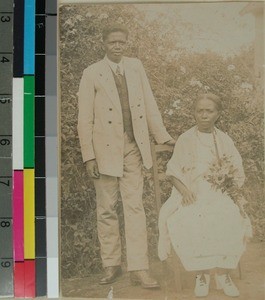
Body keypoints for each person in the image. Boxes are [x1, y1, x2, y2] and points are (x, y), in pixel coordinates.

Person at [77, 23, 175, 288]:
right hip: (104, 151)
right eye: (112, 42)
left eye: (122, 42)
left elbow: (149, 103)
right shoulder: (92, 73)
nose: (117, 46)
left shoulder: (135, 67)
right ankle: (111, 265)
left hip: (133, 147)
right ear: (104, 44)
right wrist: (89, 156)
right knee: (106, 209)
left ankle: (139, 268)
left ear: (126, 43)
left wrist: (163, 136)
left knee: (135, 207)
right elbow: (84, 119)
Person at [158, 93, 252, 297]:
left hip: (218, 191)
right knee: (192, 216)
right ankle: (201, 275)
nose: (204, 115)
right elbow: (173, 172)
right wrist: (184, 191)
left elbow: (237, 170)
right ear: (194, 113)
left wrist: (228, 186)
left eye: (209, 111)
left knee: (228, 214)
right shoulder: (185, 139)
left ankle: (223, 273)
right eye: (199, 111)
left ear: (217, 114)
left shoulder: (224, 140)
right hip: (192, 190)